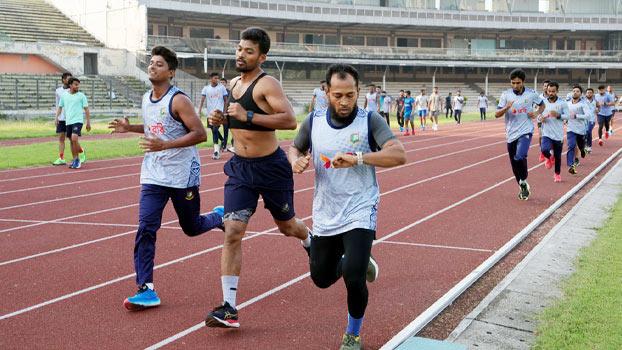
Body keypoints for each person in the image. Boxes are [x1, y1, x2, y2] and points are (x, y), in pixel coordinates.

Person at [289, 63, 406, 350]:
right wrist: (296, 161)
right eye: (338, 95)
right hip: (326, 210)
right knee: (321, 278)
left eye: (350, 95)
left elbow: (398, 155)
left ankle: (352, 334)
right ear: (326, 92)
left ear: (358, 92)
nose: (344, 102)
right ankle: (357, 259)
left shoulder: (369, 120)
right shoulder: (313, 121)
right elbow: (294, 147)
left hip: (360, 207)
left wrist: (359, 159)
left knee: (353, 277)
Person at [204, 27, 311, 328]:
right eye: (239, 48)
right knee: (233, 230)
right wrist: (220, 119)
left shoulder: (268, 84)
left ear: (261, 57)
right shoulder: (233, 84)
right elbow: (234, 117)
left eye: (248, 51)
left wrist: (249, 116)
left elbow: (289, 120)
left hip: (271, 167)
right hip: (240, 167)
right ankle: (229, 308)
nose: (240, 54)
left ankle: (309, 239)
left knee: (287, 226)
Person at [108, 46, 225, 311]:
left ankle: (218, 217)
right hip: (152, 175)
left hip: (182, 175)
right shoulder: (146, 98)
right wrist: (130, 128)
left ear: (171, 72)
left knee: (192, 227)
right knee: (146, 228)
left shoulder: (179, 100)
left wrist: (166, 145)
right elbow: (153, 128)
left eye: (159, 64)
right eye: (151, 63)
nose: (152, 67)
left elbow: (200, 134)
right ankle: (146, 289)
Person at [495, 69, 544, 200]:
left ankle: (524, 178)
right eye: (513, 83)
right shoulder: (505, 95)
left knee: (520, 156)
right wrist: (506, 108)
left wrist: (536, 113)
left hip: (526, 131)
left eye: (518, 83)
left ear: (523, 82)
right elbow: (496, 114)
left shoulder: (531, 94)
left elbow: (542, 105)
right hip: (511, 133)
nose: (515, 85)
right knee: (514, 163)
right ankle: (522, 184)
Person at [56, 77, 90, 169]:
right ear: (70, 85)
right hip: (68, 121)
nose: (77, 86)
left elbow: (86, 109)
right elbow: (60, 107)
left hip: (78, 121)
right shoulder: (64, 96)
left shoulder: (81, 96)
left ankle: (78, 160)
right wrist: (56, 118)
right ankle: (75, 159)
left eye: (78, 84)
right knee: (71, 141)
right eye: (75, 84)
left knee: (74, 138)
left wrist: (88, 122)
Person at [539, 81, 569, 183]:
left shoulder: (562, 103)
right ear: (547, 90)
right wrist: (541, 119)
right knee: (544, 149)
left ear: (557, 91)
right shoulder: (543, 103)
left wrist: (558, 115)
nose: (551, 93)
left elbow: (568, 116)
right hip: (546, 133)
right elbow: (539, 115)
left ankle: (557, 174)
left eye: (553, 91)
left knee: (558, 156)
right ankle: (549, 157)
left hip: (558, 134)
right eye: (549, 91)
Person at [199, 72, 229, 160]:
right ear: (211, 79)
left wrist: (224, 112)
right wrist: (199, 111)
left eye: (218, 78)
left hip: (219, 113)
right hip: (210, 114)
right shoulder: (206, 89)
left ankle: (216, 152)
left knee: (215, 129)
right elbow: (202, 100)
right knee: (213, 130)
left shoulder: (222, 88)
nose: (217, 80)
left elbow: (226, 100)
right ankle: (222, 140)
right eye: (215, 78)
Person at [566, 85, 590, 175]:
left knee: (580, 146)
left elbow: (588, 116)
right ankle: (571, 165)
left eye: (577, 91)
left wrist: (577, 116)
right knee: (571, 146)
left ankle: (583, 150)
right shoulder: (567, 103)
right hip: (570, 129)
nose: (575, 92)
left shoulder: (583, 104)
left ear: (580, 94)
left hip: (580, 130)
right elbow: (565, 113)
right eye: (574, 91)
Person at [52, 72, 72, 165]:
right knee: (61, 138)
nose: (70, 80)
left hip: (70, 118)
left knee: (72, 139)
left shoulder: (72, 90)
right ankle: (61, 158)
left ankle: (80, 152)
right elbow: (58, 105)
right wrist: (56, 117)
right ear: (63, 79)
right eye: (68, 78)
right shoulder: (58, 91)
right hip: (61, 118)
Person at [536, 80, 550, 162]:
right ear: (543, 87)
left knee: (550, 137)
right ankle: (542, 151)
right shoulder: (539, 97)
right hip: (540, 120)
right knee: (541, 136)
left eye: (547, 86)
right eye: (545, 86)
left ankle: (550, 152)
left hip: (550, 120)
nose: (546, 87)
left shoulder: (553, 97)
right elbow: (535, 107)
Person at [584, 87, 597, 153]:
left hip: (592, 119)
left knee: (588, 131)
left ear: (593, 94)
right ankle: (588, 146)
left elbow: (598, 107)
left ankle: (588, 146)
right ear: (586, 94)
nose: (589, 94)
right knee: (586, 132)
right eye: (588, 93)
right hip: (584, 120)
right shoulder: (582, 101)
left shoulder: (595, 101)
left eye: (590, 93)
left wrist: (598, 110)